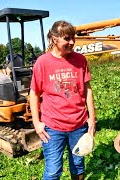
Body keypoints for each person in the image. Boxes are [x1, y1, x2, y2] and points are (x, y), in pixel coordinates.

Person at [30, 20, 96, 180]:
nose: (72, 42)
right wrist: (36, 123)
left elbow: (87, 89)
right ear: (54, 39)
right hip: (53, 128)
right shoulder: (43, 62)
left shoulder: (80, 60)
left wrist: (92, 118)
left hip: (78, 124)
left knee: (78, 166)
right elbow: (34, 93)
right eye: (67, 38)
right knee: (53, 171)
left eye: (73, 38)